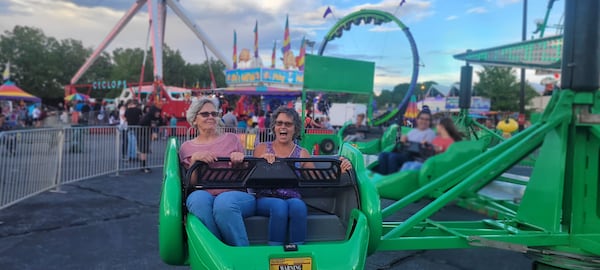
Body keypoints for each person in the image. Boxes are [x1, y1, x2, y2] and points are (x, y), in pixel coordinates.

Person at [253, 107, 352, 245]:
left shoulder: (302, 153)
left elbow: (318, 180)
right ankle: (274, 250)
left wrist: (340, 170)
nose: (283, 127)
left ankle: (297, 250)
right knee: (279, 207)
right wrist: (261, 162)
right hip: (265, 197)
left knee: (298, 207)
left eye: (288, 124)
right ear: (274, 126)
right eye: (279, 123)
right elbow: (251, 176)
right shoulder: (262, 148)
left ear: (295, 129)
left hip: (292, 197)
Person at [179, 97, 256, 246]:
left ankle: (241, 252)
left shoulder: (232, 139)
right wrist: (195, 161)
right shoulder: (186, 148)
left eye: (214, 114)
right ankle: (216, 249)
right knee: (196, 200)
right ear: (194, 119)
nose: (211, 117)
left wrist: (239, 161)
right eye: (205, 114)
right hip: (204, 193)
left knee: (224, 203)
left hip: (235, 193)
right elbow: (192, 184)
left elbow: (244, 176)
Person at [377, 110, 436, 175]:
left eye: (427, 120)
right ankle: (382, 176)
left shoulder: (430, 133)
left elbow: (426, 147)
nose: (424, 121)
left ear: (430, 122)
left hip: (416, 157)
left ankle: (391, 179)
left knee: (392, 157)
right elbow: (404, 143)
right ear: (417, 120)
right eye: (422, 119)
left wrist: (409, 142)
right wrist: (403, 140)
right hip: (406, 153)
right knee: (383, 155)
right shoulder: (413, 131)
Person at [138, 105, 164, 173]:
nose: (158, 113)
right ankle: (143, 167)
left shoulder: (157, 118)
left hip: (147, 135)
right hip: (142, 135)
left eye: (158, 112)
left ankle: (143, 166)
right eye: (157, 112)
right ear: (153, 112)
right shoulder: (147, 117)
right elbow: (142, 123)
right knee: (143, 150)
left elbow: (161, 123)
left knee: (145, 150)